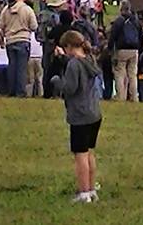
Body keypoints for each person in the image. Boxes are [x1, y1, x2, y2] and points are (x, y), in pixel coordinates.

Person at [50, 30, 102, 204]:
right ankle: (92, 189)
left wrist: (57, 81)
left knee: (80, 155)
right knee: (89, 153)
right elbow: (79, 68)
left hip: (80, 114)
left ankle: (83, 192)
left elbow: (70, 88)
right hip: (94, 112)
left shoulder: (73, 65)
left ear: (69, 46)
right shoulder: (90, 59)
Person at [0, 0, 38, 98]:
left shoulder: (6, 9)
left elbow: (1, 25)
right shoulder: (27, 9)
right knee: (21, 68)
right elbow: (34, 26)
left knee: (12, 66)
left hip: (10, 40)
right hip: (23, 39)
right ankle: (20, 91)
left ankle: (11, 90)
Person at [107, 0, 143, 102]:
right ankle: (134, 96)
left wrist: (110, 49)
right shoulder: (136, 21)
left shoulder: (119, 21)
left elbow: (113, 36)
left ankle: (121, 96)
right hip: (134, 50)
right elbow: (141, 36)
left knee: (120, 73)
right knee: (132, 74)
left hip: (122, 49)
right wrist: (139, 50)